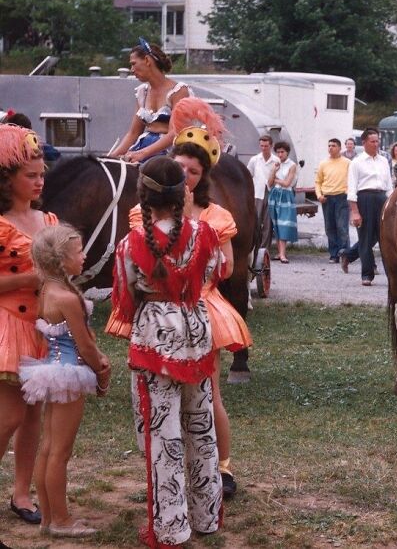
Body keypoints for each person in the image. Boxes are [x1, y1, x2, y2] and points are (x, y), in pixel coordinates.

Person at [110, 97, 252, 500]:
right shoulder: (144, 214)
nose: (186, 176)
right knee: (160, 397)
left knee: (208, 394)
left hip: (201, 307)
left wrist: (191, 234)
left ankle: (220, 467)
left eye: (193, 170)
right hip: (158, 313)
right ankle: (164, 471)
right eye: (180, 169)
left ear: (203, 175)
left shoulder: (215, 217)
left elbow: (223, 270)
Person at [107, 156, 223, 548]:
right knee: (199, 424)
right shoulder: (204, 233)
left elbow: (123, 299)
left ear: (143, 196)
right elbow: (215, 272)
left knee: (163, 433)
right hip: (196, 329)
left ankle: (171, 528)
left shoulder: (130, 243)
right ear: (182, 194)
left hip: (154, 336)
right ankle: (207, 516)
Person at [18, 225, 111, 538]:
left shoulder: (47, 290)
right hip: (70, 373)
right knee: (60, 452)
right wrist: (101, 368)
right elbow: (84, 345)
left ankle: (48, 517)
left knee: (48, 448)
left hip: (53, 369)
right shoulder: (67, 299)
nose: (84, 257)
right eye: (79, 253)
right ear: (60, 261)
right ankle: (60, 519)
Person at [0, 124, 57, 528]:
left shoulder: (47, 218)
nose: (39, 182)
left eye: (42, 175)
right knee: (8, 417)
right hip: (8, 324)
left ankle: (22, 493)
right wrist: (26, 279)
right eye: (30, 176)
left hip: (42, 326)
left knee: (34, 415)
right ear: (7, 179)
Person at [109, 39, 191, 164]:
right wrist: (111, 157)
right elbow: (133, 133)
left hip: (169, 152)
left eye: (133, 63)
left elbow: (175, 133)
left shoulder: (178, 91)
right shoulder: (142, 92)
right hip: (143, 149)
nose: (131, 69)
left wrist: (143, 154)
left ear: (147, 60)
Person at [339, 128, 393, 286]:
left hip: (382, 198)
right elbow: (351, 189)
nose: (376, 144)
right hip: (364, 199)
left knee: (384, 238)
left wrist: (390, 204)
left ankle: (391, 274)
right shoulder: (356, 162)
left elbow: (389, 185)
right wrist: (355, 212)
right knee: (366, 238)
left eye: (378, 141)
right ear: (364, 143)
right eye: (373, 141)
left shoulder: (383, 160)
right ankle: (367, 275)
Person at [315, 138, 350, 263]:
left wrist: (349, 192)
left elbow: (352, 179)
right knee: (330, 227)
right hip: (327, 198)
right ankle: (334, 254)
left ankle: (345, 253)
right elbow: (318, 181)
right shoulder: (323, 163)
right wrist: (319, 195)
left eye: (333, 145)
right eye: (329, 145)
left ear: (340, 148)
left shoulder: (347, 163)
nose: (330, 148)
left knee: (342, 227)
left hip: (342, 196)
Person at [268, 141, 298, 263]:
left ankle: (283, 254)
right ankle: (279, 253)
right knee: (276, 224)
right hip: (275, 194)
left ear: (287, 152)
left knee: (284, 223)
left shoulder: (292, 165)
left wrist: (276, 180)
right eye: (278, 152)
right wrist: (274, 172)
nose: (280, 154)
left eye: (282, 152)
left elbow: (287, 183)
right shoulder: (275, 164)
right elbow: (270, 183)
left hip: (286, 195)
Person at [246, 135, 279, 219]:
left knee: (269, 221)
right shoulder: (254, 160)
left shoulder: (276, 160)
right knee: (256, 219)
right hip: (257, 193)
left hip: (271, 193)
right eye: (262, 146)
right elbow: (248, 176)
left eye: (266, 146)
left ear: (271, 146)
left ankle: (267, 233)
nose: (263, 148)